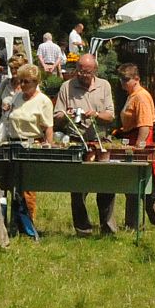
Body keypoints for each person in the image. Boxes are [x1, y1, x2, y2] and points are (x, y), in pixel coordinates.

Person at [54, 53, 117, 234]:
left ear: (94, 71)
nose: (82, 75)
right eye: (79, 71)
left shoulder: (104, 86)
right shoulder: (67, 87)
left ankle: (108, 226)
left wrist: (96, 115)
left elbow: (111, 115)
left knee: (106, 185)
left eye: (87, 72)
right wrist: (67, 114)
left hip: (100, 142)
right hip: (77, 142)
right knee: (78, 187)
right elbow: (56, 116)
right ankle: (83, 228)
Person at [2, 64, 53, 237]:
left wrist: (48, 148)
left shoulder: (43, 101)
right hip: (13, 145)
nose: (22, 85)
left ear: (36, 82)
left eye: (26, 82)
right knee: (11, 187)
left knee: (27, 190)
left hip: (32, 146)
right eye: (20, 81)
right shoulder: (17, 97)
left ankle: (28, 228)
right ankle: (12, 225)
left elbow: (48, 128)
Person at [116, 64, 155, 228]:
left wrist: (139, 149)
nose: (122, 82)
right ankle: (132, 224)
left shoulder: (141, 96)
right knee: (132, 186)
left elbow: (145, 126)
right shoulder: (132, 94)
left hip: (141, 145)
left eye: (126, 79)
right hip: (132, 143)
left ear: (137, 78)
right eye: (121, 78)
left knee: (147, 186)